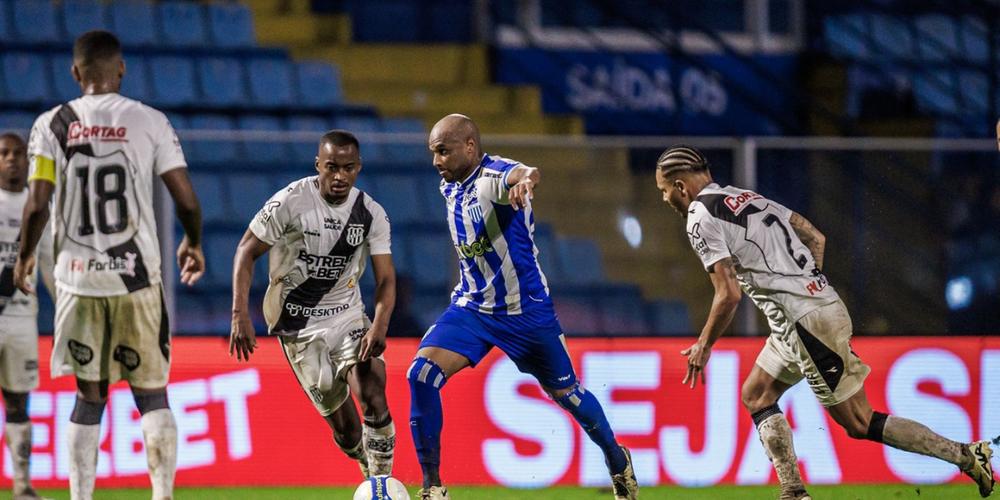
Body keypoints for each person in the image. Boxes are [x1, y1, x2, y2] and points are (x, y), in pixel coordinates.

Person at [655, 145, 995, 499]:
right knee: (756, 394)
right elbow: (814, 235)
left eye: (664, 190)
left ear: (681, 186)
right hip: (802, 316)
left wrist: (704, 346)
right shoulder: (744, 196)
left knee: (859, 422)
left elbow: (728, 294)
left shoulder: (699, 215)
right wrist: (810, 285)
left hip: (804, 321)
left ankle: (967, 456)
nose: (665, 199)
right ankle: (793, 491)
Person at [13, 31, 204, 500]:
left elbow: (37, 202)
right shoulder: (149, 121)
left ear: (76, 73)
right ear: (121, 70)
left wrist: (24, 256)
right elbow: (186, 198)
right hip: (137, 278)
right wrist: (193, 241)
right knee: (151, 393)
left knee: (88, 396)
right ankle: (162, 496)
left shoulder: (51, 124)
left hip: (78, 281)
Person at [408, 114, 638, 500]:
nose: (436, 162)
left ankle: (617, 460)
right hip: (473, 309)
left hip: (526, 313)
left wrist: (526, 181)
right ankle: (433, 488)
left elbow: (523, 173)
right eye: (434, 153)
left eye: (443, 152)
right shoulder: (450, 183)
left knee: (568, 395)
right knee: (421, 374)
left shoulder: (492, 177)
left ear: (469, 147)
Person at [229, 130, 397, 478]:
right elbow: (246, 250)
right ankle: (366, 463)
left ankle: (382, 485)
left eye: (348, 168)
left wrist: (379, 324)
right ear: (317, 165)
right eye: (331, 167)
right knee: (348, 432)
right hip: (297, 325)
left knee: (372, 390)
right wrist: (239, 314)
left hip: (347, 315)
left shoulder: (370, 214)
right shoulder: (291, 201)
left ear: (358, 168)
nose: (339, 177)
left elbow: (385, 279)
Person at [0, 133, 53, 500]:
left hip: (22, 318)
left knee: (19, 401)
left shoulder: (39, 208)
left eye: (19, 153)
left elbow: (50, 266)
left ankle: (22, 485)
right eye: (4, 153)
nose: (12, 159)